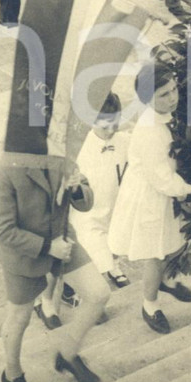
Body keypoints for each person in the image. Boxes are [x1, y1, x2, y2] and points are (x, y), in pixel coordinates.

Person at [0, 155, 110, 382]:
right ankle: (12, 374)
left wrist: (76, 189)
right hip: (23, 254)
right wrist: (47, 247)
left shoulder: (60, 154)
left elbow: (85, 203)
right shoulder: (3, 169)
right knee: (19, 317)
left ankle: (67, 354)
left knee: (98, 294)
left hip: (62, 241)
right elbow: (4, 231)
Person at [108, 62, 191, 335]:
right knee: (157, 253)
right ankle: (149, 304)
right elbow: (162, 180)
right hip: (150, 198)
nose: (173, 97)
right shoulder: (150, 130)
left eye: (174, 89)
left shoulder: (164, 117)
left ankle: (168, 279)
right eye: (164, 94)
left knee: (181, 245)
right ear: (147, 98)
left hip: (165, 191)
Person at [71, 92, 132, 288]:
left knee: (114, 240)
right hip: (89, 211)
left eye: (115, 123)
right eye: (105, 125)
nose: (110, 130)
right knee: (94, 248)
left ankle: (114, 266)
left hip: (113, 203)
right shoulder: (80, 148)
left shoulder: (124, 141)